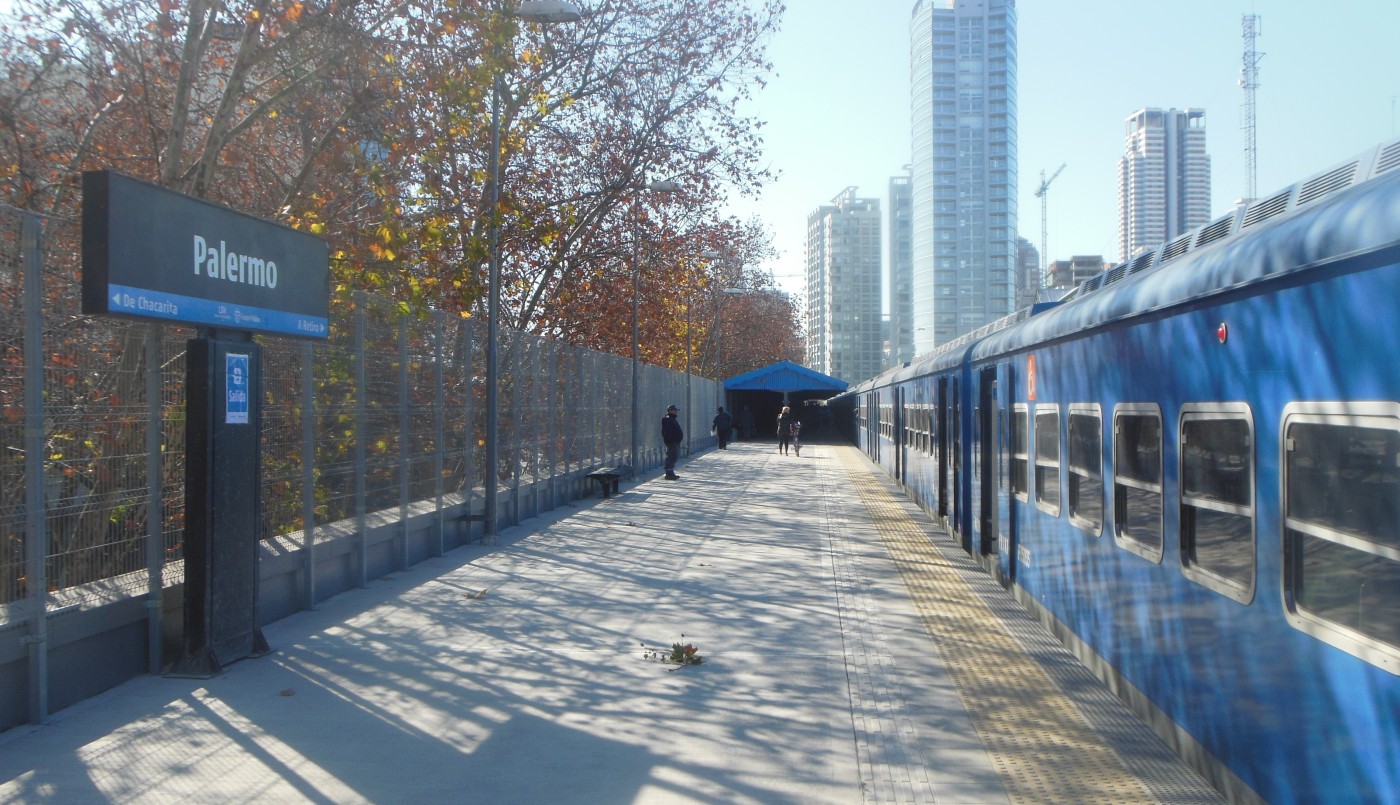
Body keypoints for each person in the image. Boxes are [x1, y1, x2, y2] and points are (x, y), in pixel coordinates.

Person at [662, 404, 683, 479]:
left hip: (674, 442)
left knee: (674, 457)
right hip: (671, 442)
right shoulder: (668, 419)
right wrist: (672, 440)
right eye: (675, 410)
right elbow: (667, 431)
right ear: (670, 411)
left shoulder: (672, 418)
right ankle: (668, 474)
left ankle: (671, 473)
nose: (676, 412)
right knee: (671, 457)